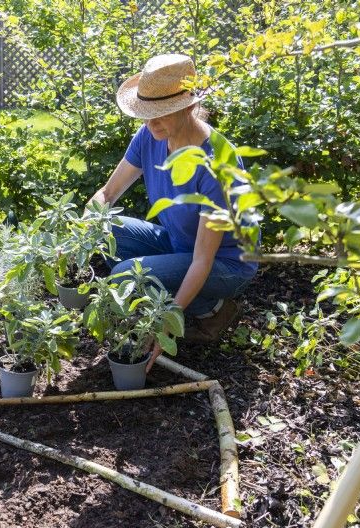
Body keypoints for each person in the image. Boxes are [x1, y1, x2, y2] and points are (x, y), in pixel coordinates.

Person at [89, 54, 258, 372]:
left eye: (160, 114)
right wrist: (80, 235)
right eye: (146, 114)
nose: (150, 123)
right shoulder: (150, 136)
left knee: (125, 276)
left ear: (188, 106)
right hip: (181, 243)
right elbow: (107, 194)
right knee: (105, 227)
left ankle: (211, 308)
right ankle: (183, 297)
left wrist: (166, 322)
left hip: (226, 264)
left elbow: (202, 260)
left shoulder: (216, 165)